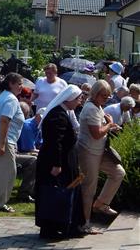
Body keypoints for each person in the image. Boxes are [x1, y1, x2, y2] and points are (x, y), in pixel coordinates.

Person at [35, 84, 86, 239]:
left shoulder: (63, 113)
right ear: (70, 99)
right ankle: (51, 228)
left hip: (63, 161)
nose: (80, 102)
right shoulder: (58, 115)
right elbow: (54, 142)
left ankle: (63, 226)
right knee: (54, 193)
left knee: (61, 193)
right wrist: (56, 164)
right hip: (56, 163)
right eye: (78, 99)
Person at [77, 80, 125, 228]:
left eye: (108, 96)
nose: (106, 98)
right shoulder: (91, 108)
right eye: (103, 96)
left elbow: (100, 129)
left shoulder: (97, 106)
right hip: (88, 152)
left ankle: (100, 204)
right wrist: (109, 125)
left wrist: (110, 127)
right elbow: (97, 133)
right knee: (89, 187)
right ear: (95, 94)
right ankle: (85, 223)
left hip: (98, 151)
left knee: (118, 172)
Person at [0, 72, 25, 212]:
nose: (21, 87)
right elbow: (4, 120)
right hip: (3, 139)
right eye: (19, 84)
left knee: (3, 171)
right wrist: (2, 143)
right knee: (7, 172)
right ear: (11, 84)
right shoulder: (11, 99)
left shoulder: (2, 97)